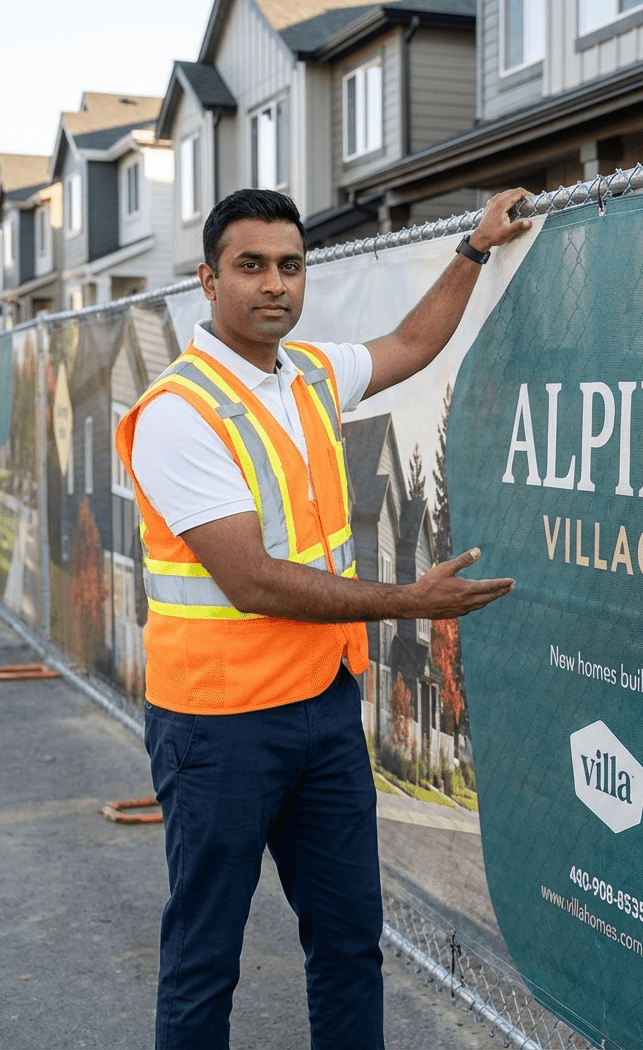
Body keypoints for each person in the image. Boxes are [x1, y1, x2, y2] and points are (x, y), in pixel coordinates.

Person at [115, 185, 532, 1050]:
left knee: (348, 943)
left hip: (321, 710)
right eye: (252, 266)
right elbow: (253, 582)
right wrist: (410, 604)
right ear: (208, 279)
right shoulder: (178, 414)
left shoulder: (303, 373)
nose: (275, 284)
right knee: (206, 962)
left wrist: (474, 248)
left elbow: (414, 344)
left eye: (291, 265)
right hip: (219, 728)